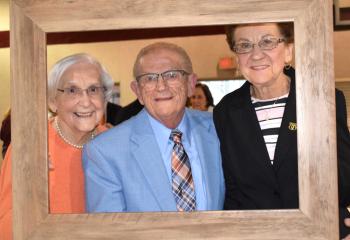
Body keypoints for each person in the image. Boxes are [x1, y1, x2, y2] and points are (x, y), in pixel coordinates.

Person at [213, 22, 350, 239]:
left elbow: (344, 177)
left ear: (288, 50)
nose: (256, 55)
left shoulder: (323, 99)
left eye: (267, 42)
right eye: (244, 45)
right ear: (237, 56)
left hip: (322, 233)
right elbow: (231, 190)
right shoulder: (225, 111)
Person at [83, 42, 225, 212]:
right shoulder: (105, 151)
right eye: (149, 78)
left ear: (190, 84)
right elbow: (110, 231)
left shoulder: (220, 129)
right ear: (137, 91)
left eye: (172, 75)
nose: (161, 86)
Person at [0, 53, 114, 240]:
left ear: (105, 98)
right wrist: (31, 191)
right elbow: (5, 231)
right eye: (72, 90)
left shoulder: (116, 144)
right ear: (53, 101)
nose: (85, 101)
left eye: (93, 89)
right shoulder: (29, 146)